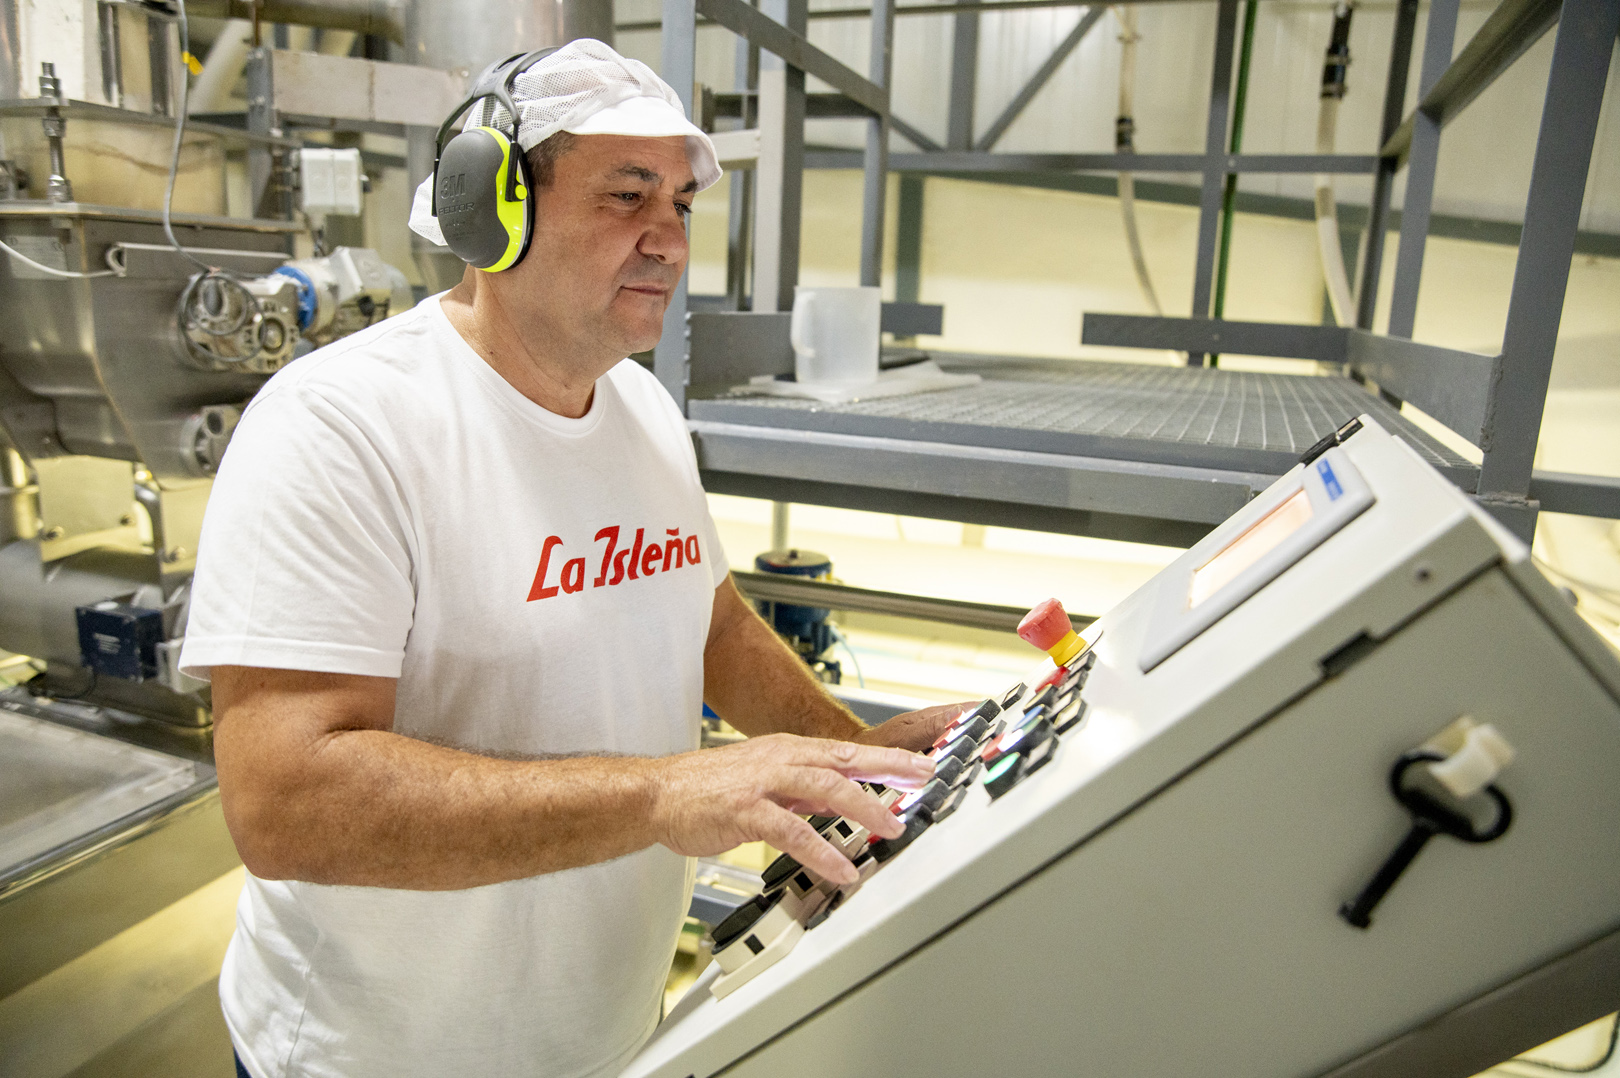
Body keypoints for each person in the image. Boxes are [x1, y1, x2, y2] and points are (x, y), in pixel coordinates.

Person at [179, 39, 962, 1078]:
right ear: (489, 207)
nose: (669, 240)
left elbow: (710, 621)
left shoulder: (641, 407)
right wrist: (662, 795)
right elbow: (287, 802)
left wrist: (851, 757)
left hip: (608, 1035)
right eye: (626, 195)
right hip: (382, 1056)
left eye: (681, 203)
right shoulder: (342, 425)